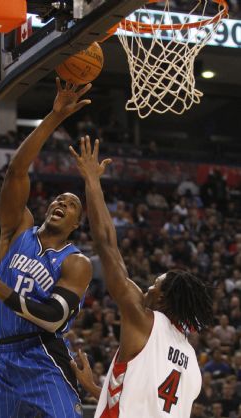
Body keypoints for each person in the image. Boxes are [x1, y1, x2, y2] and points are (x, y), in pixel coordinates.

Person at [0, 80, 93, 418]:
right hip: (0, 359)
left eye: (72, 204)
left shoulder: (76, 262)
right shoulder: (17, 229)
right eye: (59, 199)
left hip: (42, 357)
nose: (62, 201)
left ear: (77, 223)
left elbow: (54, 318)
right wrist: (54, 117)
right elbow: (17, 171)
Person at [69, 137, 214, 418]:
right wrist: (94, 388)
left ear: (163, 298)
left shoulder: (144, 320)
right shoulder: (192, 363)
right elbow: (141, 405)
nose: (146, 288)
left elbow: (107, 246)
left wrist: (92, 182)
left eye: (154, 285)